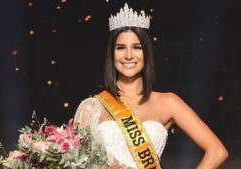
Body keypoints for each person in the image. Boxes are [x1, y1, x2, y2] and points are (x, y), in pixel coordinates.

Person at [74, 3, 228, 169]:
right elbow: (76, 162)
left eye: (137, 48)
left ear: (146, 53)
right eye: (120, 48)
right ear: (111, 54)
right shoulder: (92, 107)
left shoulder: (167, 102)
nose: (128, 55)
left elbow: (218, 151)